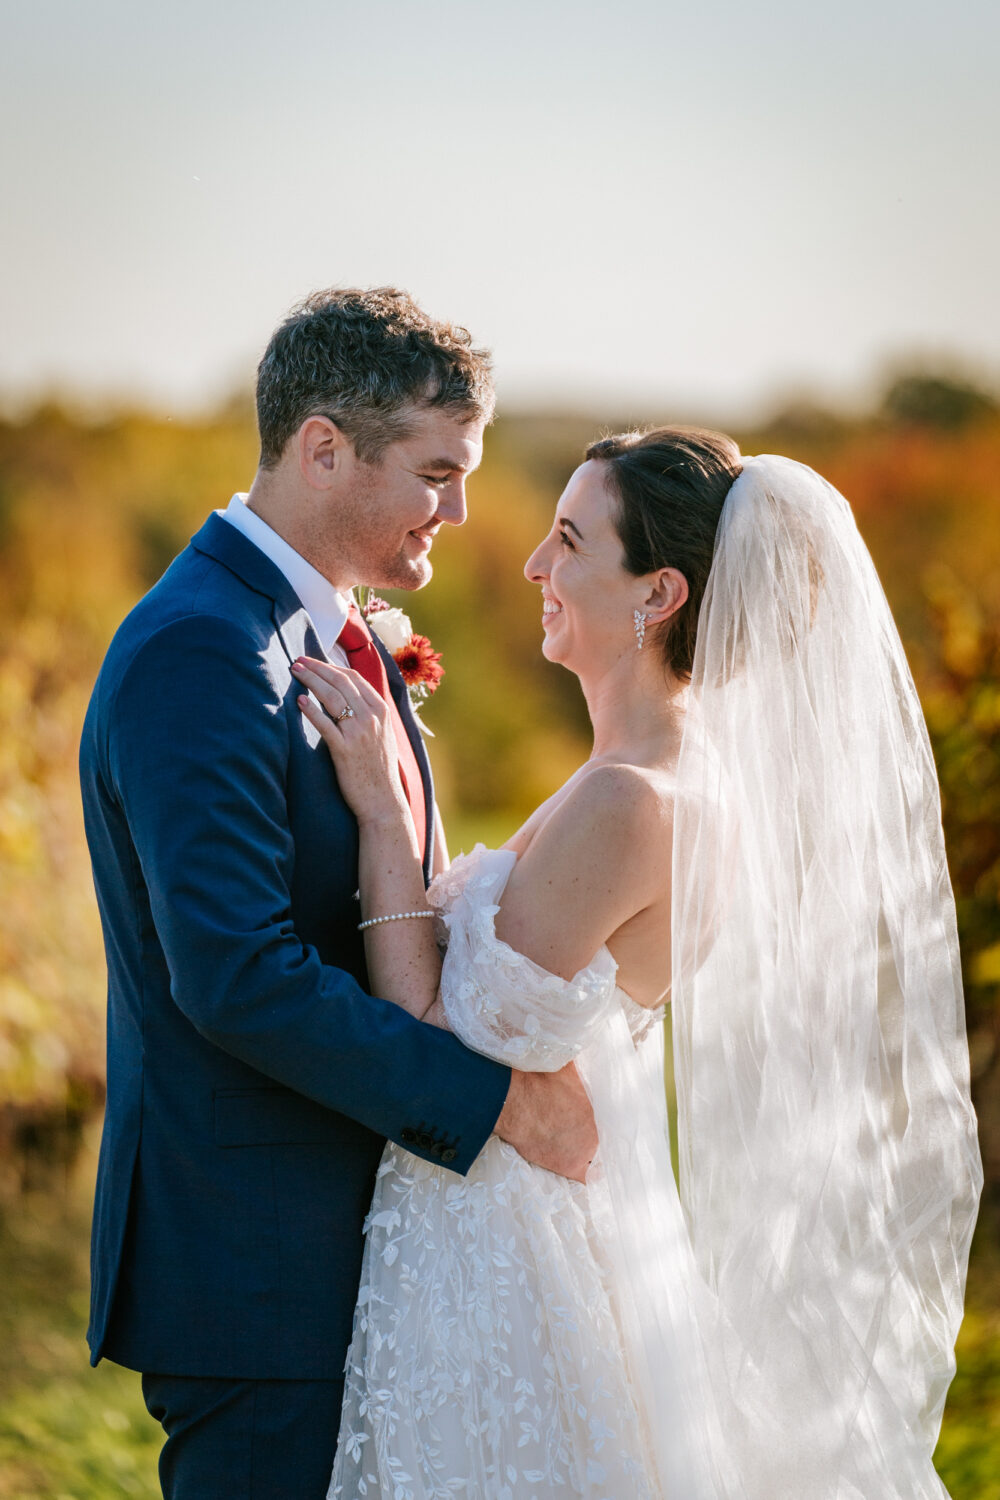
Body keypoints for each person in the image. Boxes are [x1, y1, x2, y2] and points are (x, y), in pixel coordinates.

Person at [293, 428, 983, 1499]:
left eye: (569, 541)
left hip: (499, 1253)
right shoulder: (640, 773)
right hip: (518, 1222)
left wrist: (383, 813)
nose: (534, 566)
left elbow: (435, 1042)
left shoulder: (632, 801)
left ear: (657, 593)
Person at [78, 287, 597, 1500]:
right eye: (434, 472)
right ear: (323, 448)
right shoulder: (202, 649)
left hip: (341, 1246)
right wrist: (496, 1104)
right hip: (255, 1262)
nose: (460, 511)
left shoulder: (322, 629)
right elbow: (237, 975)